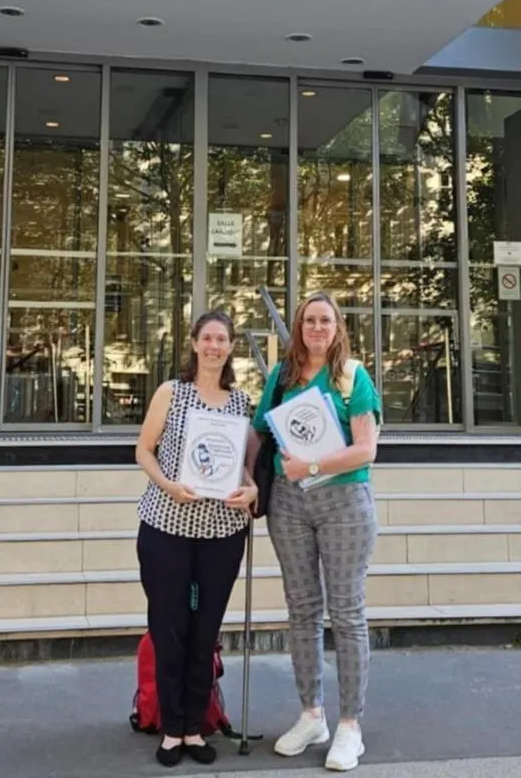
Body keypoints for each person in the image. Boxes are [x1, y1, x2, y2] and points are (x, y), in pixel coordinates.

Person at [251, 292, 381, 772]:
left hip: (344, 502)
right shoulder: (281, 377)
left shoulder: (352, 377)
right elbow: (259, 434)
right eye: (309, 320)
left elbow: (366, 449)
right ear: (300, 327)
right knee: (302, 610)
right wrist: (247, 481)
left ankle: (350, 725)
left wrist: (311, 465)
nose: (317, 328)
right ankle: (312, 715)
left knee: (346, 613)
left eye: (325, 320)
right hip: (289, 504)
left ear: (338, 326)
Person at [136, 310, 257, 767]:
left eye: (222, 339)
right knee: (170, 629)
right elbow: (143, 450)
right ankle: (171, 728)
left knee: (205, 632)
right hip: (166, 526)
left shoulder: (240, 402)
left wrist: (252, 490)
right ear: (193, 343)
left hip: (221, 533)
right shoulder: (171, 392)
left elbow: (242, 466)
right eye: (207, 338)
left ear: (230, 347)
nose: (214, 346)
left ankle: (194, 725)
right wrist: (167, 484)